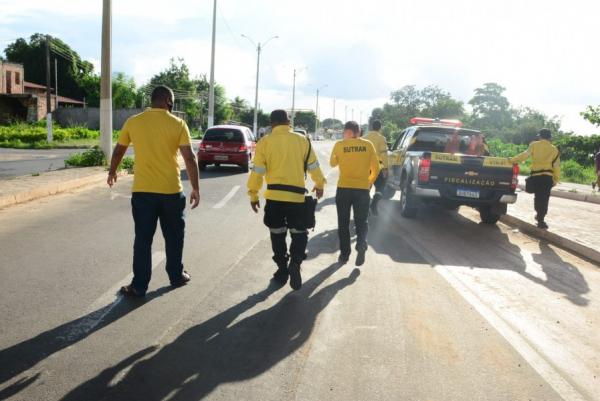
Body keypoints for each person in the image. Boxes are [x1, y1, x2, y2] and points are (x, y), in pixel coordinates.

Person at [107, 85, 200, 297]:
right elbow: (190, 158)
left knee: (143, 240)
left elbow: (119, 149)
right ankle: (176, 276)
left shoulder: (134, 122)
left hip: (143, 193)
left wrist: (112, 171)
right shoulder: (178, 124)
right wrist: (195, 187)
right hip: (171, 192)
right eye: (172, 101)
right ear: (168, 100)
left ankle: (139, 286)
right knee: (175, 237)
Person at [247, 109, 326, 290]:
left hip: (274, 198)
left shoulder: (265, 142)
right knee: (299, 233)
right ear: (288, 122)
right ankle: (296, 262)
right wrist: (319, 184)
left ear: (271, 123)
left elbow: (257, 171)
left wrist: (253, 194)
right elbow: (314, 166)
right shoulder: (302, 140)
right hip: (297, 198)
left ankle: (282, 269)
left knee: (277, 234)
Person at [330, 121, 380, 266]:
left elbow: (332, 163)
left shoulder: (340, 145)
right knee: (361, 221)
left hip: (344, 189)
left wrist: (340, 156)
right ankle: (361, 245)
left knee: (343, 223)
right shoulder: (368, 145)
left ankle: (345, 255)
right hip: (362, 190)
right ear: (358, 132)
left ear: (346, 132)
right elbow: (376, 168)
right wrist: (369, 182)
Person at [510, 128, 560, 229]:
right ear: (550, 137)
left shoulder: (534, 145)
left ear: (540, 136)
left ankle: (539, 216)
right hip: (548, 178)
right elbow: (557, 166)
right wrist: (556, 179)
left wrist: (512, 160)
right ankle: (541, 219)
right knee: (545, 198)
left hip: (536, 177)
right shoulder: (554, 149)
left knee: (537, 197)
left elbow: (524, 155)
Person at [363, 120, 389, 216]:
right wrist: (385, 168)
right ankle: (373, 205)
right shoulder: (381, 138)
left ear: (371, 127)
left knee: (366, 189)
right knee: (380, 188)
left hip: (365, 168)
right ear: (380, 128)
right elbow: (384, 154)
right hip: (377, 168)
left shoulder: (364, 138)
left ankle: (364, 209)